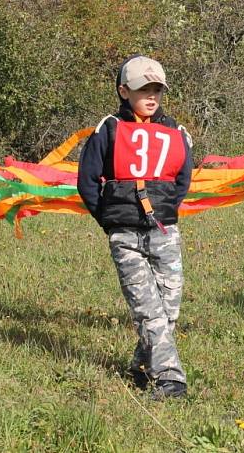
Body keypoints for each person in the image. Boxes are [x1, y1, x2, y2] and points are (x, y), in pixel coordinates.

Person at [78, 55, 194, 400]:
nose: (152, 95)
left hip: (164, 233)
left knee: (168, 307)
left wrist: (165, 209)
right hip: (124, 235)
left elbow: (183, 179)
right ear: (123, 91)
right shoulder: (108, 128)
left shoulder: (176, 131)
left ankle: (141, 367)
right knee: (148, 308)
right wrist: (110, 221)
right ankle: (171, 380)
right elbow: (87, 181)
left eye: (157, 89)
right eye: (145, 89)